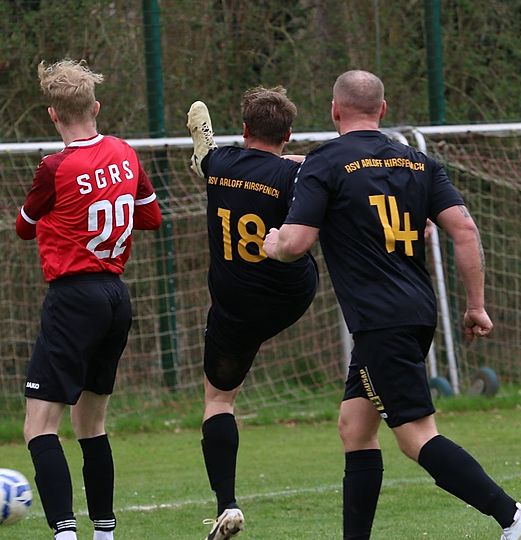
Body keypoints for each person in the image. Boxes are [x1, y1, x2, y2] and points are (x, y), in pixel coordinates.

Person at [261, 69, 521, 540]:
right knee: (355, 428)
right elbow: (465, 230)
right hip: (413, 312)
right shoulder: (418, 163)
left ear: (334, 110)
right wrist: (476, 305)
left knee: (416, 438)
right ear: (383, 110)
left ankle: (513, 517)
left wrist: (275, 245)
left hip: (379, 321)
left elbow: (296, 242)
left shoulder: (326, 163)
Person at [16, 59, 163, 540]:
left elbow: (23, 227)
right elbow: (151, 218)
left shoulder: (53, 168)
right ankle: (104, 532)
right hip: (116, 297)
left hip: (73, 297)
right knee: (91, 425)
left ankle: (64, 533)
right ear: (96, 108)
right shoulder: (125, 152)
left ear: (53, 115)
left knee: (40, 426)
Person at [186, 87, 318, 540]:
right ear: (288, 135)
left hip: (235, 304)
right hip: (289, 296)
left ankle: (227, 504)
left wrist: (205, 150)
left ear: (244, 130)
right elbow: (312, 172)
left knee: (219, 401)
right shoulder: (296, 175)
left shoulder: (220, 164)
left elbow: (207, 160)